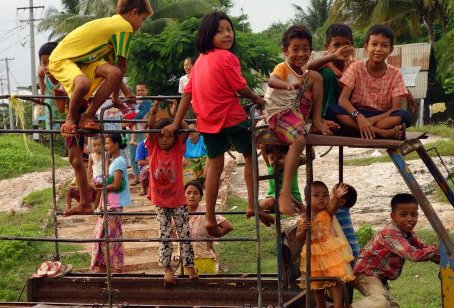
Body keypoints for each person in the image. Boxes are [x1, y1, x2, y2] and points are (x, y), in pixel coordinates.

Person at [164, 11, 273, 236]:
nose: (227, 35)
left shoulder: (199, 62)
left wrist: (176, 123)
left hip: (207, 122)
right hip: (231, 117)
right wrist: (257, 99)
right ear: (208, 35)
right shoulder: (227, 57)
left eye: (229, 30)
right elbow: (240, 88)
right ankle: (253, 204)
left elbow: (186, 95)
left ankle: (210, 217)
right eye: (220, 31)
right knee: (250, 155)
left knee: (215, 165)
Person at [48, 0, 150, 215]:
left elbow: (115, 71)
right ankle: (74, 118)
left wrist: (118, 97)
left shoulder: (111, 32)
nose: (141, 24)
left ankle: (85, 202)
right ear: (133, 13)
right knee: (83, 84)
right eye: (142, 18)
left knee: (78, 156)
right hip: (65, 62)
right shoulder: (123, 27)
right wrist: (122, 95)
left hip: (82, 66)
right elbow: (121, 66)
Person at [348, 193, 439, 308]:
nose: (410, 219)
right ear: (393, 216)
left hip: (379, 278)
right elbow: (413, 255)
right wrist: (435, 253)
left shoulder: (408, 233)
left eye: (413, 214)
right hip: (365, 274)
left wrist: (440, 256)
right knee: (380, 302)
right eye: (403, 215)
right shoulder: (391, 233)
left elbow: (421, 246)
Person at [264, 25, 331, 216]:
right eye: (295, 49)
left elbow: (310, 80)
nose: (301, 53)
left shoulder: (304, 73)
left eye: (306, 49)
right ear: (285, 51)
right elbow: (272, 81)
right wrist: (288, 85)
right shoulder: (282, 67)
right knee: (300, 139)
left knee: (317, 77)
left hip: (293, 111)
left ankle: (317, 120)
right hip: (277, 113)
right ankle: (285, 192)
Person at [327, 25, 411, 140]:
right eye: (374, 44)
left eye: (384, 45)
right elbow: (343, 100)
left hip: (382, 116)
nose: (378, 49)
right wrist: (360, 117)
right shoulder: (356, 67)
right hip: (356, 113)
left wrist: (369, 121)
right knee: (332, 109)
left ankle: (361, 129)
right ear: (366, 47)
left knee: (403, 115)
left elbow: (395, 109)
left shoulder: (395, 73)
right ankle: (381, 133)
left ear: (390, 50)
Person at [147, 101, 198, 285]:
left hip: (178, 200)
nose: (164, 140)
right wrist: (154, 109)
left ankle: (189, 265)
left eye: (168, 137)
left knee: (184, 233)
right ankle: (167, 269)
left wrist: (177, 118)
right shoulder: (153, 146)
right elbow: (151, 127)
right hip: (160, 201)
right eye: (161, 137)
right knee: (165, 235)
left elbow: (186, 132)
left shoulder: (177, 147)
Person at [297, 181, 354, 308]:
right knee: (317, 286)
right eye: (316, 196)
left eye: (325, 195)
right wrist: (303, 229)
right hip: (313, 255)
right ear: (307, 199)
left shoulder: (327, 213)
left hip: (330, 252)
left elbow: (334, 205)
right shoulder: (304, 217)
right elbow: (299, 238)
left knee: (334, 280)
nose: (321, 199)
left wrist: (336, 196)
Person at [90, 134, 131, 273]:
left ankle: (118, 268)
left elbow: (116, 184)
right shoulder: (113, 160)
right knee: (102, 235)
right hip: (108, 203)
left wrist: (100, 188)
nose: (105, 146)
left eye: (107, 143)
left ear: (116, 144)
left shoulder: (119, 161)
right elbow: (108, 177)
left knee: (113, 237)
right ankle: (103, 267)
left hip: (114, 204)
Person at [306, 23, 355, 117]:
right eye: (337, 45)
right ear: (327, 47)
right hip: (323, 109)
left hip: (344, 108)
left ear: (352, 45)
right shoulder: (324, 63)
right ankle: (323, 117)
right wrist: (334, 56)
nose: (341, 49)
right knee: (327, 73)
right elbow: (309, 67)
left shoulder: (353, 65)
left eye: (346, 44)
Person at [184, 181, 233, 274]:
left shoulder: (206, 212)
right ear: (184, 195)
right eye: (188, 193)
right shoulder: (179, 213)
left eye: (196, 193)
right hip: (184, 258)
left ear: (201, 197)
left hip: (205, 256)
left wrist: (212, 238)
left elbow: (228, 227)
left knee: (208, 285)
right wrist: (178, 240)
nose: (192, 196)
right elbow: (169, 228)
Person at [259, 144, 303, 213]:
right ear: (268, 158)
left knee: (290, 203)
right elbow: (262, 146)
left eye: (280, 157)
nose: (276, 162)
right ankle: (258, 207)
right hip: (274, 199)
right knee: (267, 203)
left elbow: (311, 156)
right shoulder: (270, 166)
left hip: (293, 199)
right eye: (272, 158)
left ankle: (299, 207)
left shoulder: (292, 164)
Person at [127, 82, 154, 179]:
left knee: (143, 154)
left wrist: (129, 118)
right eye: (138, 90)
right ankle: (136, 176)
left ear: (147, 91)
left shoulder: (148, 102)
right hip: (131, 129)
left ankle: (144, 176)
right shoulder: (133, 101)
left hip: (142, 131)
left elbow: (140, 115)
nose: (140, 92)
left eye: (142, 90)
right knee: (132, 154)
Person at [334, 183, 360, 260]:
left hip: (350, 249)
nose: (328, 197)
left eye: (332, 194)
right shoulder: (344, 210)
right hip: (354, 247)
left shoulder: (338, 211)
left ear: (341, 201)